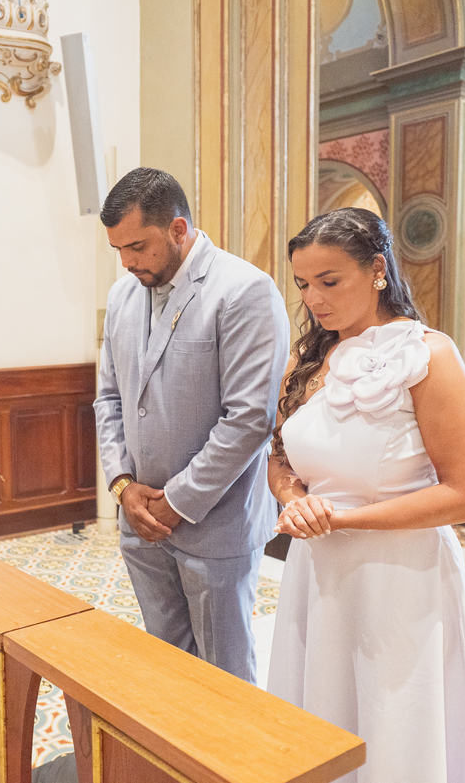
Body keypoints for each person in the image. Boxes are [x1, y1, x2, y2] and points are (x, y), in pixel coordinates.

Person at [265, 207, 465, 783]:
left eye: (329, 281)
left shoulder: (430, 356)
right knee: (322, 715)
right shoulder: (306, 359)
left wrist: (342, 519)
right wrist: (295, 498)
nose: (313, 299)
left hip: (400, 577)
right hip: (319, 571)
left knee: (395, 721)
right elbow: (280, 457)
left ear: (377, 270)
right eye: (302, 284)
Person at [94, 167, 290, 683]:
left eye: (137, 246)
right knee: (168, 671)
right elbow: (109, 398)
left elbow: (248, 419)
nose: (127, 262)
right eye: (118, 249)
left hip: (215, 525)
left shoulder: (244, 291)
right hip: (141, 522)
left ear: (178, 229)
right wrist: (123, 486)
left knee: (224, 679)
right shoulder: (122, 296)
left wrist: (176, 501)